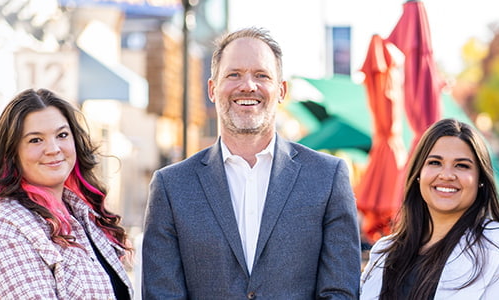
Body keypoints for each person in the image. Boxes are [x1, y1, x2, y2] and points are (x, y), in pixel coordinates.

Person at [142, 27, 361, 299]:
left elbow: (340, 292)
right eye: (234, 74)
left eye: (261, 75)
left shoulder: (328, 178)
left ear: (281, 90)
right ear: (212, 89)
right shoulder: (171, 187)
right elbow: (162, 293)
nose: (248, 85)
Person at [0, 88, 132, 299]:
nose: (53, 148)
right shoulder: (4, 226)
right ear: (12, 153)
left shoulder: (80, 213)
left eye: (62, 135)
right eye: (35, 140)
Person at [360, 118, 499, 299]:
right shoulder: (384, 251)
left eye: (462, 165)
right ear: (418, 173)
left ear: (480, 179)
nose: (447, 175)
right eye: (435, 162)